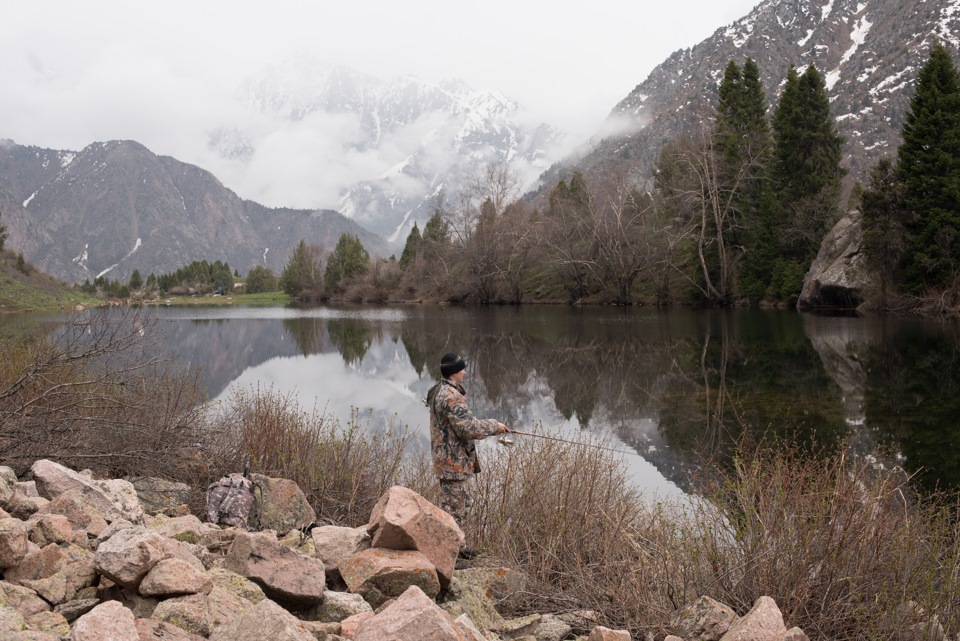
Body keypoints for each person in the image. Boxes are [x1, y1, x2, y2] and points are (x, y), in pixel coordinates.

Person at [426, 352, 509, 532]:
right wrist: (495, 426)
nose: (464, 372)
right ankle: (451, 552)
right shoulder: (451, 396)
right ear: (453, 372)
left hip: (447, 460)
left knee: (458, 505)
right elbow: (467, 429)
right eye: (462, 369)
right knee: (455, 511)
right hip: (453, 463)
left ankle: (458, 547)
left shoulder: (439, 390)